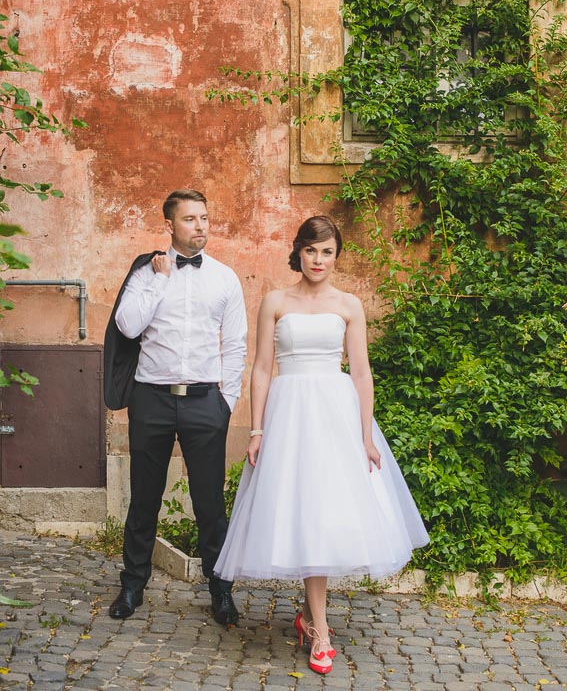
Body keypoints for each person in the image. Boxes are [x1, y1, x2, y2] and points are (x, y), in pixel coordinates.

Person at [214, 215, 429, 674]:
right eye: (311, 250)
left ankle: (313, 619)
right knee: (303, 511)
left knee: (326, 514)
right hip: (290, 418)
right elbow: (262, 369)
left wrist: (366, 435)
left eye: (327, 251)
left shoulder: (349, 305)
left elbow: (361, 372)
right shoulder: (275, 301)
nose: (319, 259)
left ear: (337, 255)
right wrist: (257, 430)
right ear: (299, 252)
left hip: (334, 416)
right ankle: (319, 628)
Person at [104, 189, 247, 625]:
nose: (200, 226)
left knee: (210, 503)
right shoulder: (147, 273)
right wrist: (161, 278)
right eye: (189, 219)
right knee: (144, 497)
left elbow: (236, 344)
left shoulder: (224, 277)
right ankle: (133, 585)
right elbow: (127, 326)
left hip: (206, 401)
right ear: (170, 225)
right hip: (152, 400)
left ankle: (220, 590)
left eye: (204, 217)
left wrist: (227, 402)